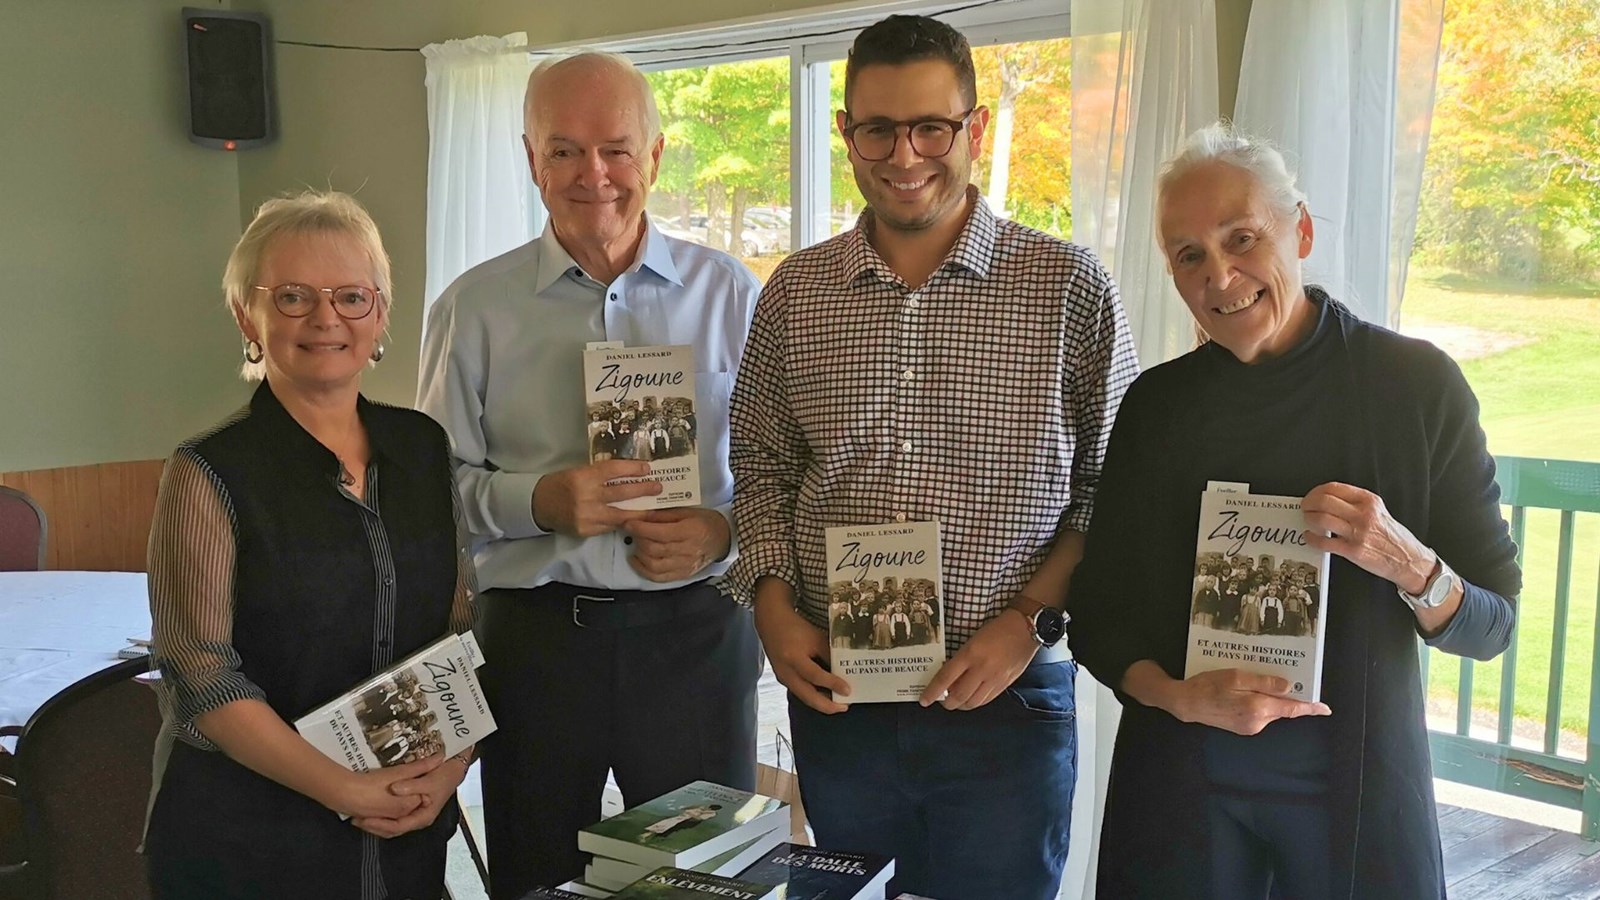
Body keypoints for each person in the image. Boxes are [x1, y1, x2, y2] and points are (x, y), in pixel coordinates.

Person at [726, 15, 1138, 899]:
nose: (903, 154)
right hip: (838, 692)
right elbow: (760, 463)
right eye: (876, 127)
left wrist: (1029, 618)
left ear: (975, 128)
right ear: (847, 131)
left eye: (931, 128)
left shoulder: (1067, 286)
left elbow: (1115, 488)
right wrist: (768, 603)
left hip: (1008, 700)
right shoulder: (796, 293)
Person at [1065, 123, 1520, 899]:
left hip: (1357, 798)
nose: (1221, 276)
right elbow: (1101, 621)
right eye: (1189, 255)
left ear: (1300, 228)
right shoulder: (1157, 406)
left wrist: (1408, 563)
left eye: (1242, 237)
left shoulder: (1414, 387)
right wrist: (1180, 695)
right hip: (1181, 793)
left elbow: (1492, 624)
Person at [416, 51, 763, 899]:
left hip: (698, 635)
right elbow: (428, 494)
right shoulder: (472, 308)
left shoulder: (734, 297)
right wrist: (538, 500)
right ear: (531, 159)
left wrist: (723, 529)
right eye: (564, 150)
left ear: (655, 154)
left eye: (616, 148)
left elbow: (782, 475)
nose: (593, 174)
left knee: (705, 884)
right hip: (536, 642)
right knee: (537, 880)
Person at [143, 192, 477, 899]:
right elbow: (204, 675)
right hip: (250, 840)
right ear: (248, 316)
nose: (327, 319)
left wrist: (449, 770)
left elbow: (454, 634)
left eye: (352, 296)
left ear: (380, 314)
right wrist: (346, 789)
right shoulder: (207, 469)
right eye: (293, 297)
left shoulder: (423, 446)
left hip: (408, 830)